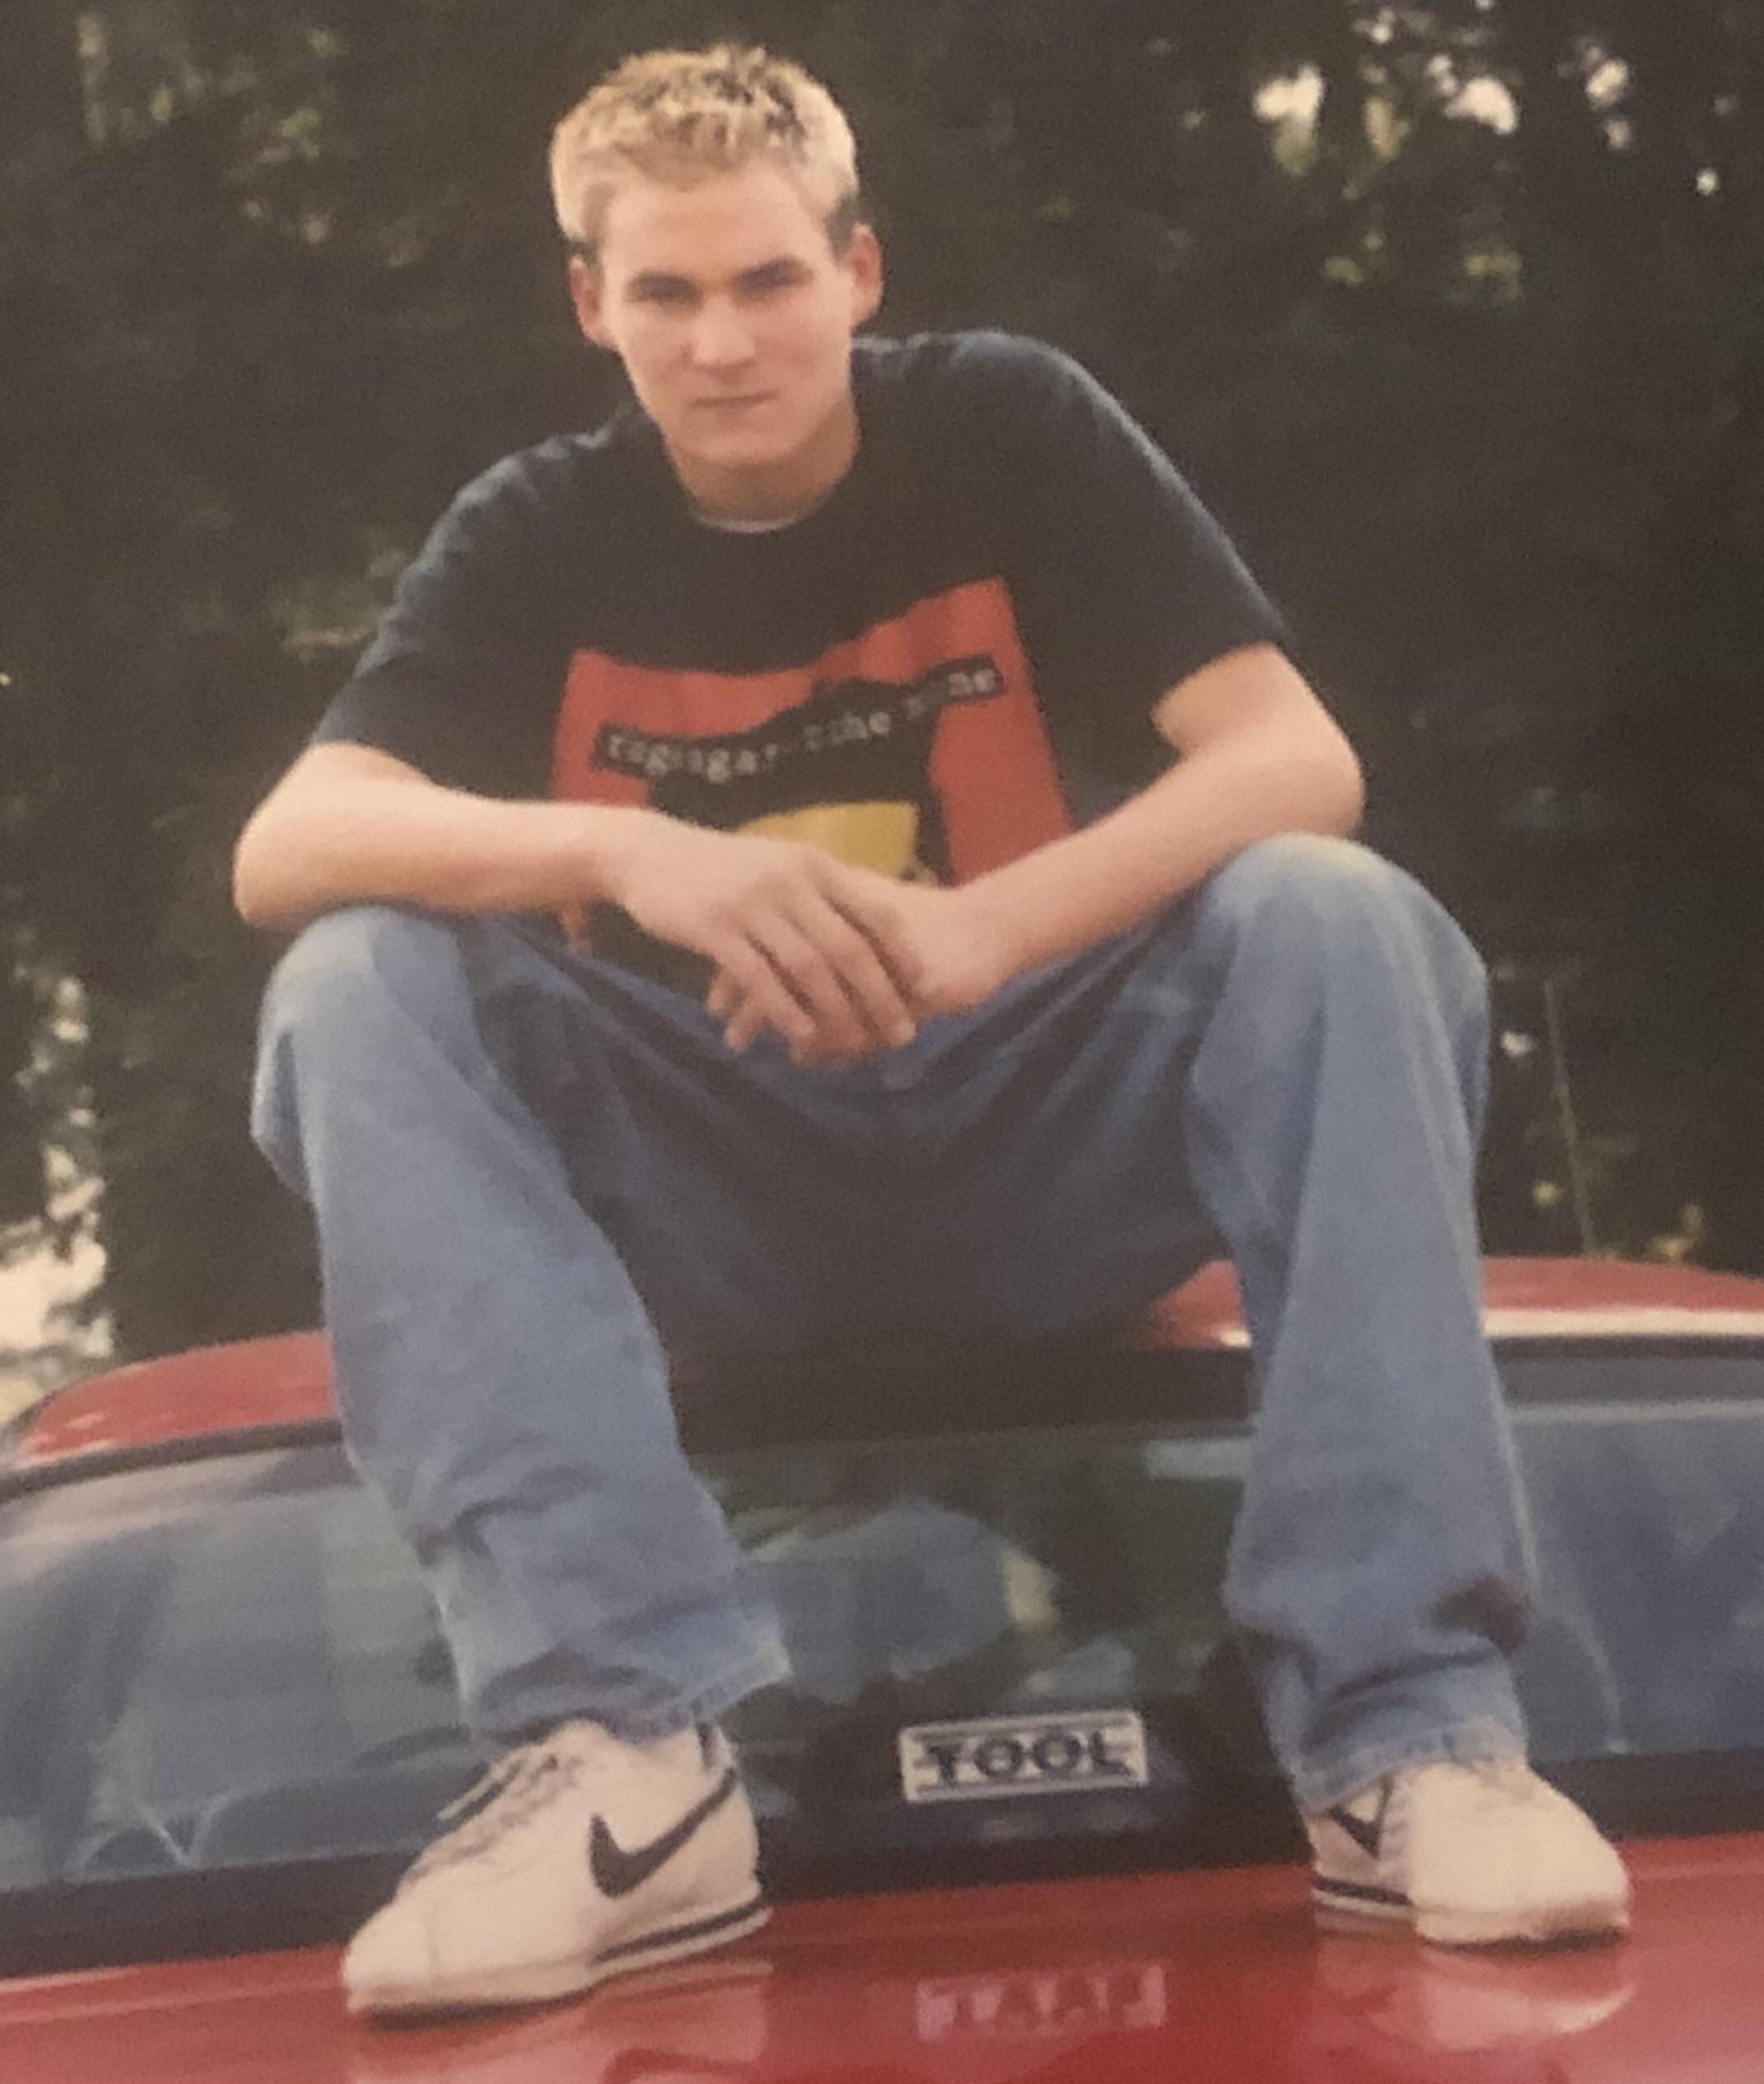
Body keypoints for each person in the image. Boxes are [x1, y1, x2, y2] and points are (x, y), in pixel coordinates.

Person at [235, 42, 1629, 2019]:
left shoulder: (1005, 424)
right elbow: (285, 844)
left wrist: (991, 930)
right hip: (718, 1171)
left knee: (1332, 916)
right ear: (590, 306)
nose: (723, 342)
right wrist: (632, 860)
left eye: (768, 281)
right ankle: (625, 1756)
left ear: (859, 270)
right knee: (350, 980)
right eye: (667, 294)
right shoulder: (535, 526)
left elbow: (1294, 757)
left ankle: (1410, 1737)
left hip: (1036, 1127)